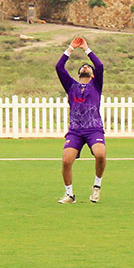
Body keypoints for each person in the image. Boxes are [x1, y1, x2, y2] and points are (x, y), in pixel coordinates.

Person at [55, 36, 106, 203]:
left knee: (100, 154)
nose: (86, 67)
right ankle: (69, 194)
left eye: (88, 68)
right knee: (66, 160)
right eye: (83, 66)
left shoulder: (95, 86)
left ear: (92, 75)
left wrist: (86, 49)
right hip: (75, 130)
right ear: (79, 74)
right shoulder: (71, 86)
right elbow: (59, 67)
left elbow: (99, 66)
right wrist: (70, 48)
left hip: (93, 128)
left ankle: (96, 187)